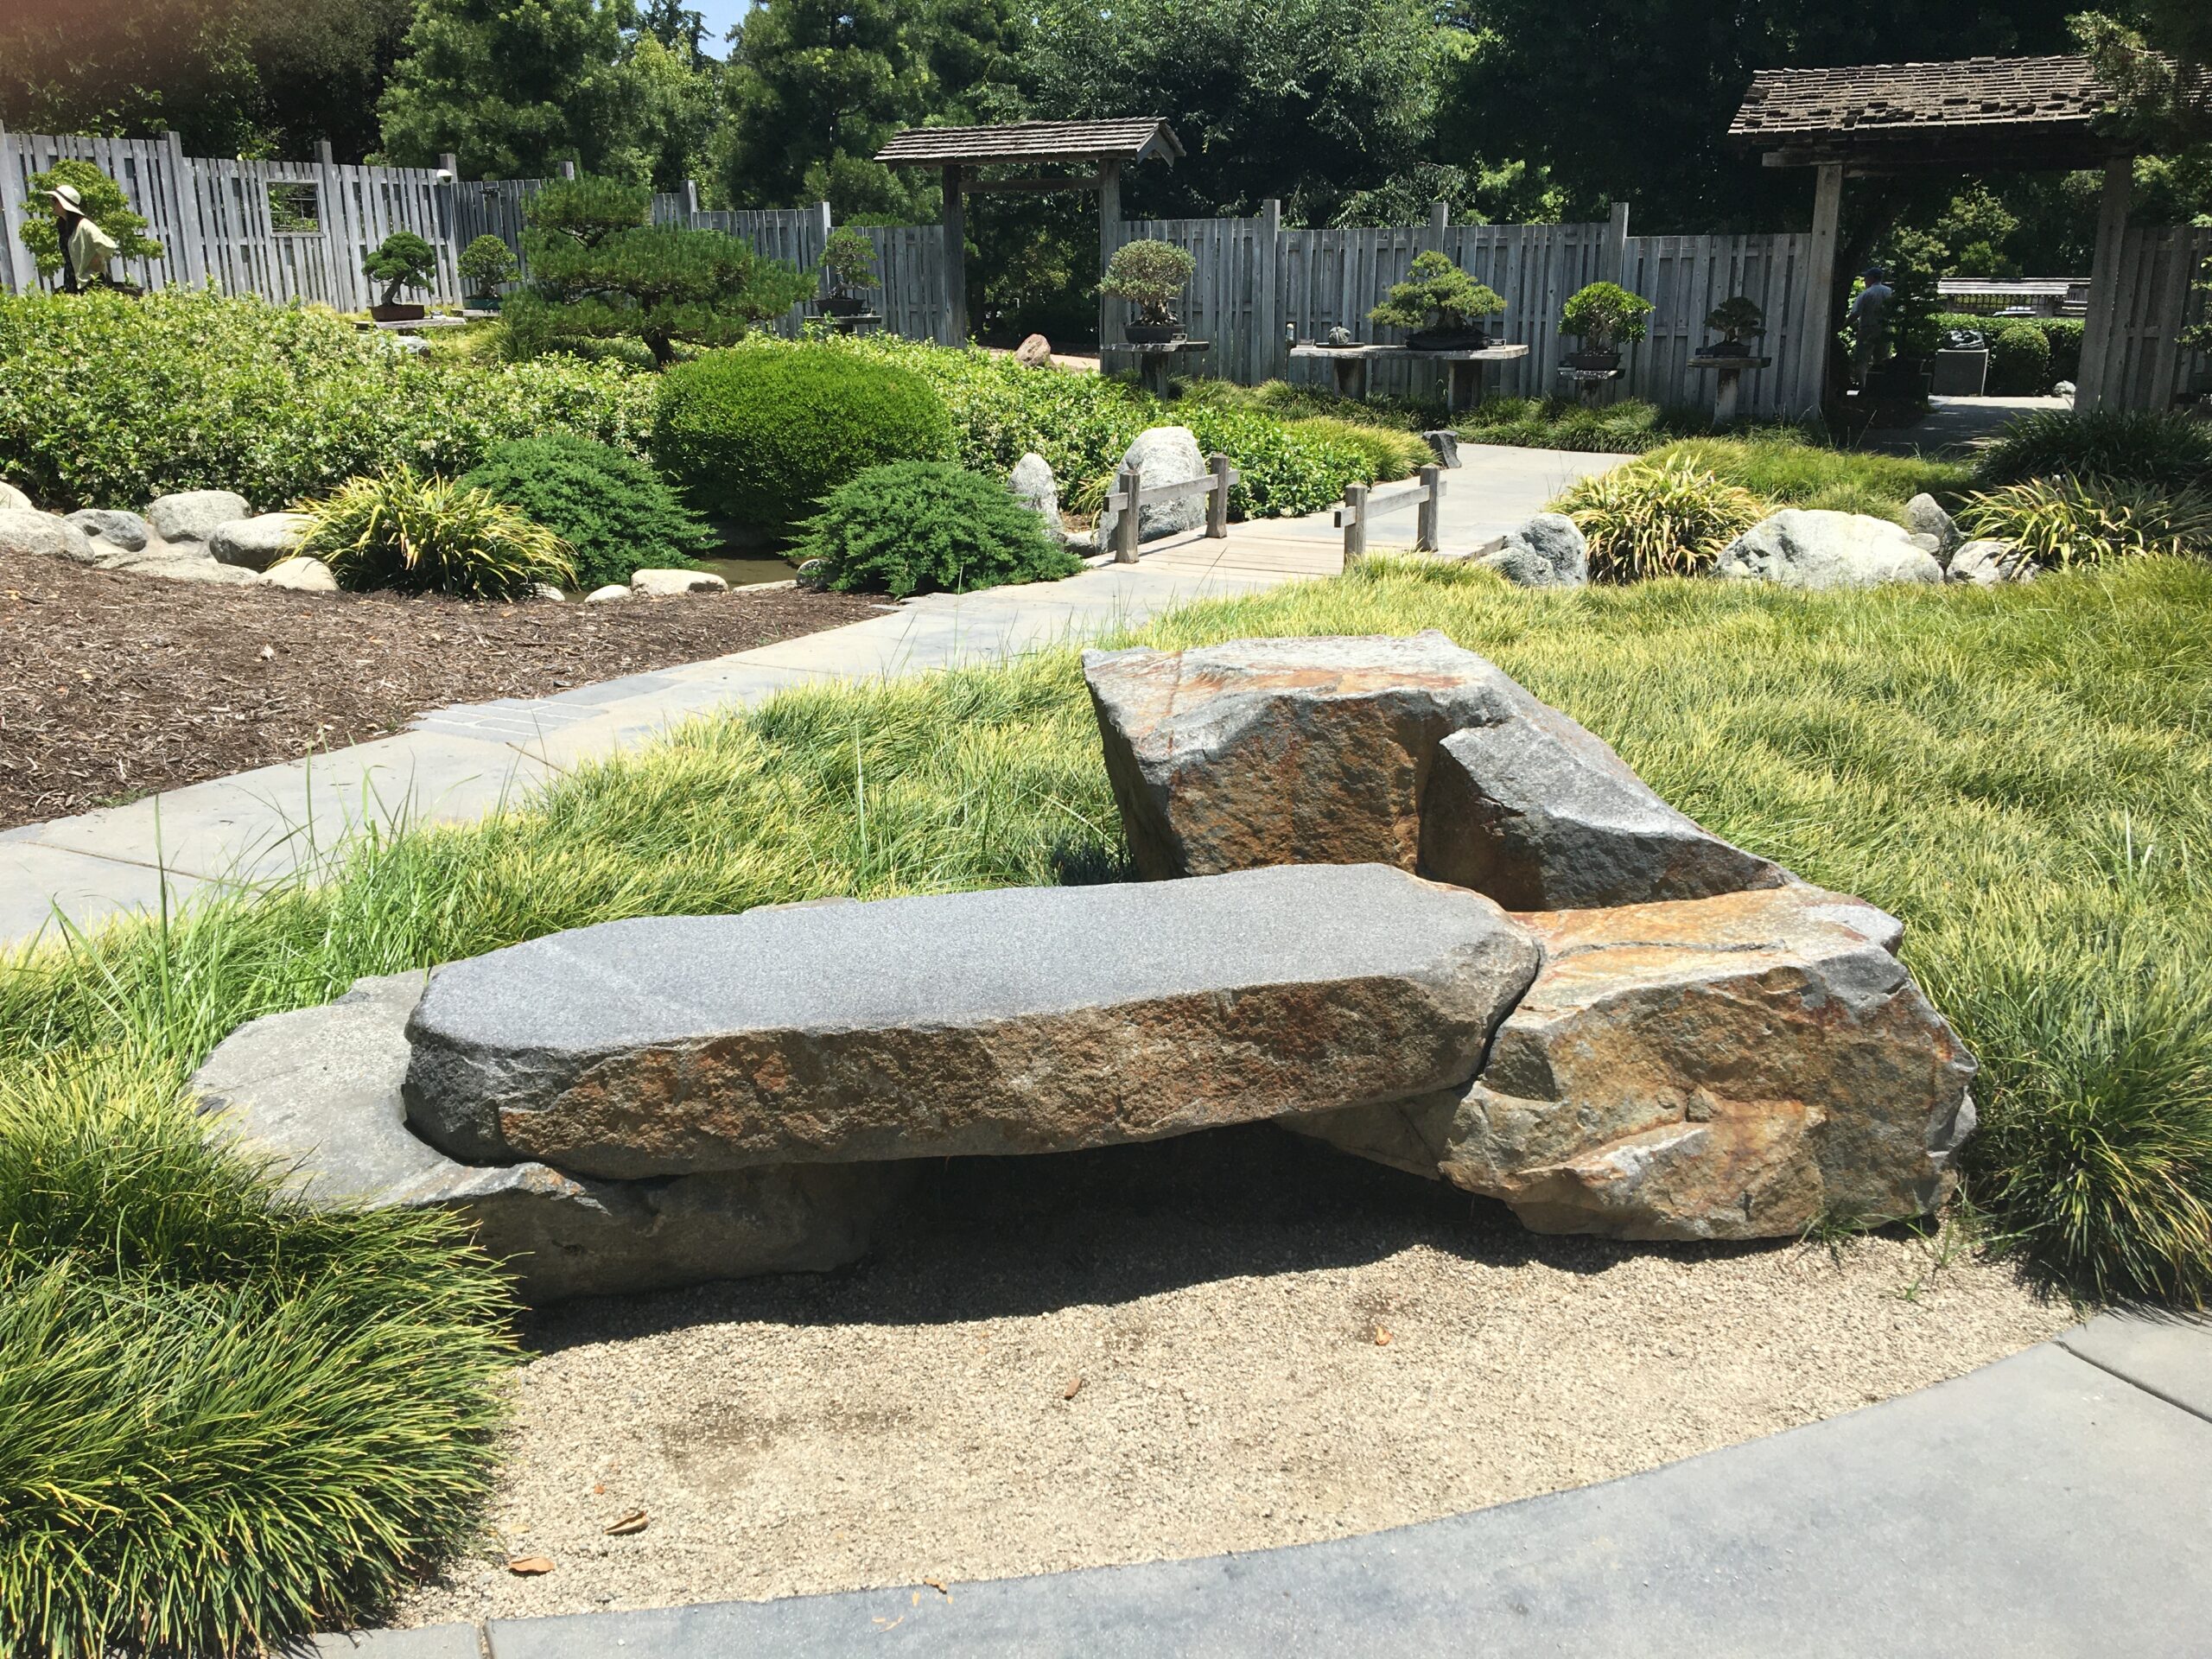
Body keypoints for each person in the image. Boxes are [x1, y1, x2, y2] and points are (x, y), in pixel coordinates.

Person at [48, 182, 123, 294]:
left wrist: (95, 261)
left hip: (90, 282)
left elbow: (109, 245)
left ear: (64, 204)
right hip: (73, 280)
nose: (52, 204)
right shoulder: (66, 227)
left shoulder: (84, 225)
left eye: (55, 200)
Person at [1846, 264, 1893, 381]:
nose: (1864, 281)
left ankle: (1862, 386)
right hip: (1886, 329)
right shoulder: (1889, 292)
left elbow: (1855, 314)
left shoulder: (1866, 294)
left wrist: (1842, 326)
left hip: (1868, 329)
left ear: (1871, 278)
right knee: (1883, 360)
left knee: (1862, 361)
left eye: (1866, 278)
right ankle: (1881, 387)